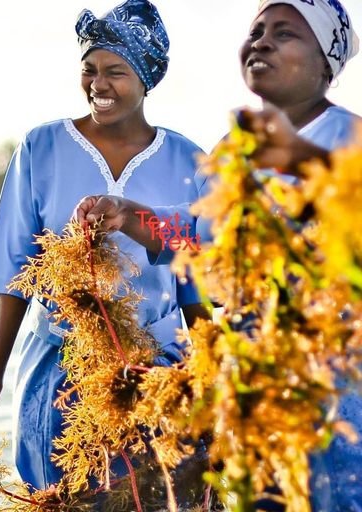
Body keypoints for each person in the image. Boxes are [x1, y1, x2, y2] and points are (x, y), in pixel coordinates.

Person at [75, 1, 361, 509]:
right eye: (256, 30)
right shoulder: (235, 147)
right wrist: (129, 213)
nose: (263, 41)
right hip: (252, 394)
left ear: (326, 63)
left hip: (333, 393)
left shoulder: (349, 137)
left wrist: (299, 158)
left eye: (286, 33)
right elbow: (201, 234)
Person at [0, 0, 207, 497]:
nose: (99, 83)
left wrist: (211, 373)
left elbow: (193, 278)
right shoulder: (41, 147)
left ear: (146, 79)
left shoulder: (188, 158)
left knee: (161, 498)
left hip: (159, 370)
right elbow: (18, 270)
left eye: (116, 71)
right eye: (89, 69)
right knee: (62, 495)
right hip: (59, 370)